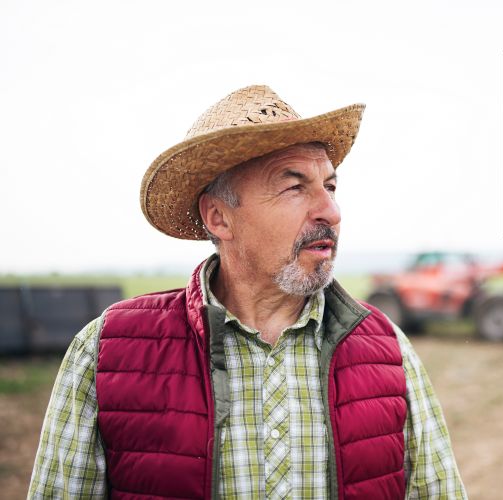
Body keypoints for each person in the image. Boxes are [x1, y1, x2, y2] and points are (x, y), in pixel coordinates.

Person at [28, 85, 467, 499]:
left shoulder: (387, 347)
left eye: (330, 187)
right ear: (219, 218)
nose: (330, 211)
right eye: (295, 186)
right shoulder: (106, 351)